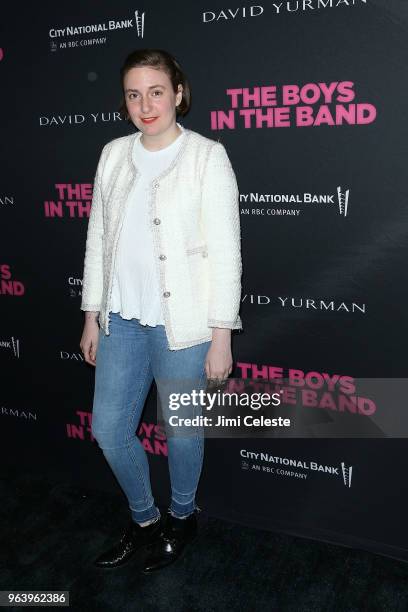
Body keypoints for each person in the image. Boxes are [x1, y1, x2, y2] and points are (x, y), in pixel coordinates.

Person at [79, 48, 242, 574]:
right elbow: (98, 239)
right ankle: (145, 519)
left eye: (155, 91)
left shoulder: (206, 158)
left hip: (187, 326)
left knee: (182, 430)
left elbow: (226, 252)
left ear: (178, 93)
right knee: (108, 430)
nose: (145, 104)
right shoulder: (111, 154)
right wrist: (91, 314)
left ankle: (182, 516)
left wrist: (222, 335)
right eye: (133, 93)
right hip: (121, 320)